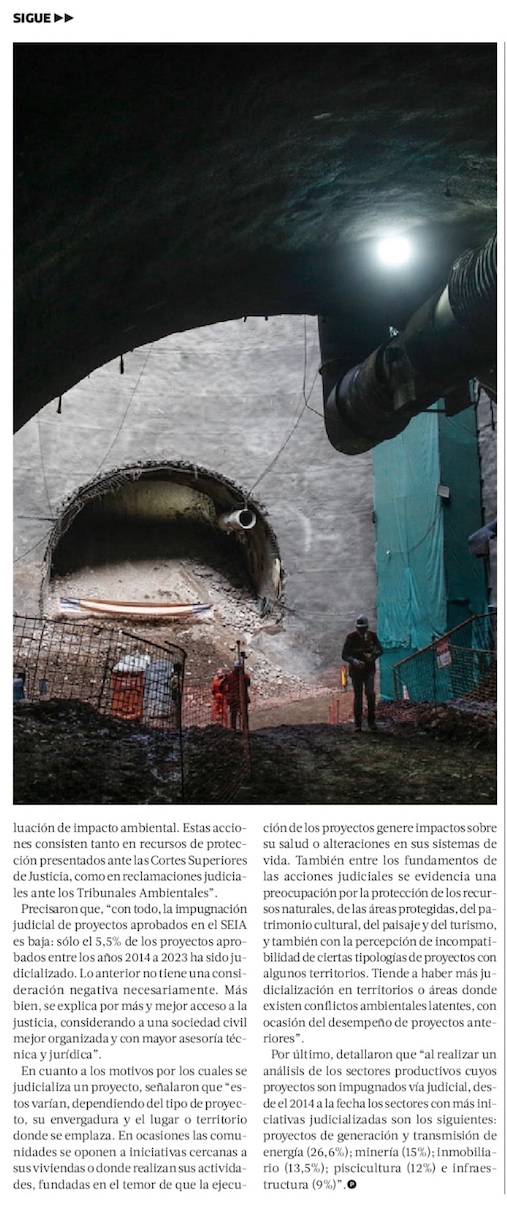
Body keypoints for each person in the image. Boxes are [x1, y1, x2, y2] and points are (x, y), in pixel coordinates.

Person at [342, 615, 383, 733]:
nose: (361, 630)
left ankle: (371, 722)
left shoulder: (373, 636)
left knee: (370, 694)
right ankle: (358, 724)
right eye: (360, 628)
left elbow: (380, 650)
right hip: (356, 671)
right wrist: (354, 661)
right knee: (358, 697)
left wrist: (372, 656)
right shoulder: (351, 637)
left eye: (363, 628)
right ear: (356, 628)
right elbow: (344, 654)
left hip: (369, 670)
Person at [222, 660, 251, 732]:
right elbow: (248, 684)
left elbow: (222, 685)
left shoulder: (230, 676)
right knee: (243, 714)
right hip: (240, 697)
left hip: (234, 698)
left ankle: (234, 728)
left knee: (234, 714)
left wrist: (226, 693)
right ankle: (245, 728)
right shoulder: (245, 676)